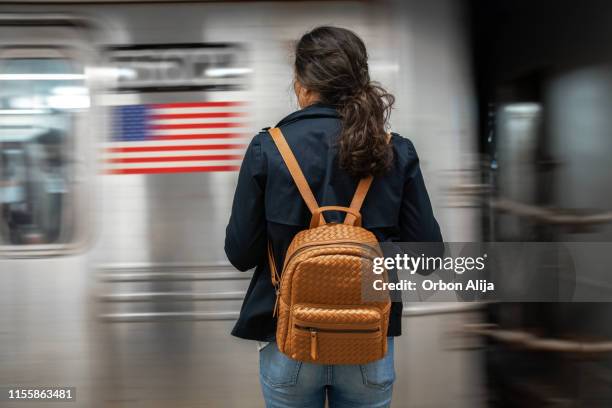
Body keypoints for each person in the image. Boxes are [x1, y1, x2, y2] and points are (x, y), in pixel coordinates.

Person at [225, 26, 442, 408]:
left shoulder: (267, 149)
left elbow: (240, 254)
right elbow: (429, 259)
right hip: (368, 342)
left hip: (290, 338)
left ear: (301, 84)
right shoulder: (396, 150)